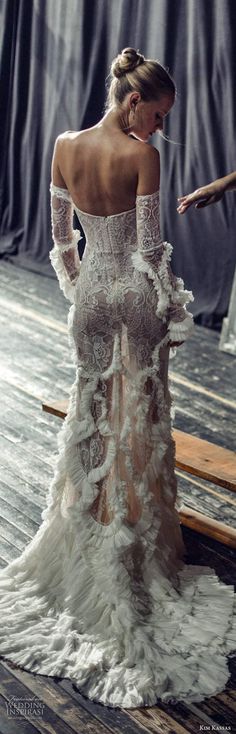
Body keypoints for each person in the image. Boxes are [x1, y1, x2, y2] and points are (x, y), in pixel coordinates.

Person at [0, 48, 235, 710]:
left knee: (92, 415)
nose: (158, 129)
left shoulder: (65, 144)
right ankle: (132, 540)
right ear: (134, 102)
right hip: (133, 296)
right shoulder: (142, 156)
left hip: (91, 298)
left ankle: (90, 526)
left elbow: (58, 238)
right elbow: (153, 249)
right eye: (156, 115)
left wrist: (82, 292)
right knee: (140, 419)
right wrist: (167, 308)